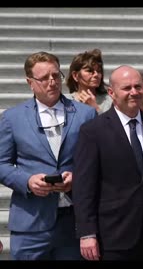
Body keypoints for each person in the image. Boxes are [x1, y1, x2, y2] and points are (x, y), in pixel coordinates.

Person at [72, 65, 143, 260]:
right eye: (127, 88)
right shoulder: (93, 131)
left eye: (138, 87)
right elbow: (84, 187)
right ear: (111, 93)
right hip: (113, 233)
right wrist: (87, 233)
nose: (134, 92)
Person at [0, 51, 96, 260]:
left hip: (74, 222)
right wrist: (27, 181)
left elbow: (98, 161)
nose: (52, 82)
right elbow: (1, 164)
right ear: (30, 82)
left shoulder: (85, 114)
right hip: (30, 224)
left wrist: (77, 178)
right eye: (44, 78)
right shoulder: (11, 118)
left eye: (55, 75)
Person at [65, 48, 112, 114]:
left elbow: (113, 124)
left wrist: (96, 109)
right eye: (90, 71)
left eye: (99, 71)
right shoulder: (66, 101)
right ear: (75, 75)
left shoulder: (110, 101)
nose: (96, 75)